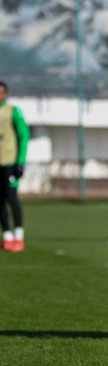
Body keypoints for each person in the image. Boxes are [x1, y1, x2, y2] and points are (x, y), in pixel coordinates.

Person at [0, 81, 29, 253]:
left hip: (10, 163)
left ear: (5, 94)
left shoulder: (13, 112)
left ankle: (19, 237)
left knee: (12, 198)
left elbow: (23, 136)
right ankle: (7, 237)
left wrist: (21, 162)